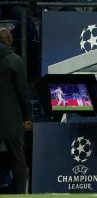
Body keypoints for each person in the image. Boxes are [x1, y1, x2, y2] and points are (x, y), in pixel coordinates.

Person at [0, 27, 31, 193]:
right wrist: (27, 118)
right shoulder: (14, 60)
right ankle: (19, 195)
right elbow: (23, 92)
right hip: (11, 119)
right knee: (19, 161)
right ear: (10, 39)